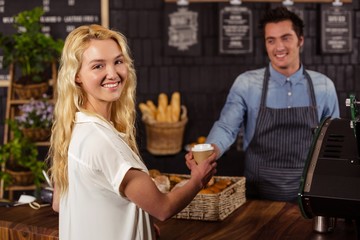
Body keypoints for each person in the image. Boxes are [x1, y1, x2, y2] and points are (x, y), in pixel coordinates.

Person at [48, 24, 217, 240]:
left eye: (118, 62)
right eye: (98, 66)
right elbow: (163, 208)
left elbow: (59, 204)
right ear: (77, 76)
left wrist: (140, 222)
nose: (113, 73)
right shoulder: (105, 142)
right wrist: (197, 180)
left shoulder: (74, 130)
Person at [205, 7, 339, 202]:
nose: (279, 47)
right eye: (271, 40)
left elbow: (332, 144)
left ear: (300, 40)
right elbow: (226, 127)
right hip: (256, 195)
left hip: (309, 195)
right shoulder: (247, 83)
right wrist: (209, 152)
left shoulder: (324, 86)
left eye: (286, 38)